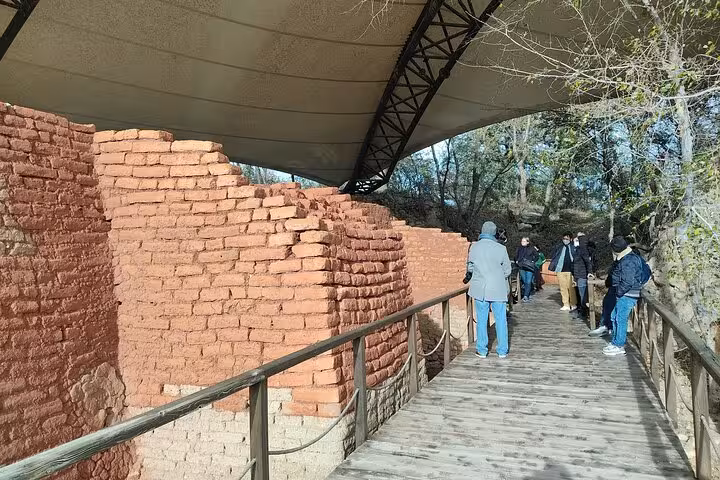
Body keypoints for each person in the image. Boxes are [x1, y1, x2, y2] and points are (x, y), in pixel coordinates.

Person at [466, 221, 512, 358]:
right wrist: (497, 277)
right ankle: (502, 350)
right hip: (498, 289)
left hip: (480, 289)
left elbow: (470, 268)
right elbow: (508, 270)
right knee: (501, 320)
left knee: (481, 319)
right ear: (494, 232)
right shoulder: (501, 248)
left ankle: (482, 349)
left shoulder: (474, 247)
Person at [602, 235, 651, 356]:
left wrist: (618, 293)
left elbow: (627, 281)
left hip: (628, 294)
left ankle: (619, 345)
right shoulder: (628, 257)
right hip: (626, 293)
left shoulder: (628, 261)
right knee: (614, 316)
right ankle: (615, 341)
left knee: (620, 318)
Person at [588, 259, 618, 337]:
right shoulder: (619, 260)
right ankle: (605, 325)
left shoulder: (632, 259)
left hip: (623, 289)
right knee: (607, 304)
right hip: (613, 287)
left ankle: (612, 329)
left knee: (617, 311)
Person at [549, 232, 578, 311]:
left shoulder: (574, 247)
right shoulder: (559, 247)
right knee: (563, 288)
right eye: (564, 239)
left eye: (567, 239)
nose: (565, 240)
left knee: (571, 287)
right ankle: (565, 304)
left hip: (570, 270)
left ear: (570, 239)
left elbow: (576, 257)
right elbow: (554, 255)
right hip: (560, 270)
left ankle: (573, 303)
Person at [572, 233, 594, 318]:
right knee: (581, 294)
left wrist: (589, 272)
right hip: (578, 274)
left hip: (582, 275)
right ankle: (582, 311)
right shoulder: (579, 250)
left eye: (577, 240)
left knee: (583, 295)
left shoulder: (583, 250)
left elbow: (587, 262)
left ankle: (584, 313)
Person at [515, 237, 539, 302]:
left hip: (529, 267)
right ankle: (527, 293)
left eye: (524, 241)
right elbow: (516, 256)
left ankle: (526, 296)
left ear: (528, 242)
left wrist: (533, 261)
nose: (522, 242)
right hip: (521, 267)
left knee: (528, 281)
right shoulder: (519, 248)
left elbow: (537, 255)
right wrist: (517, 261)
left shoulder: (532, 248)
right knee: (525, 281)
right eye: (522, 241)